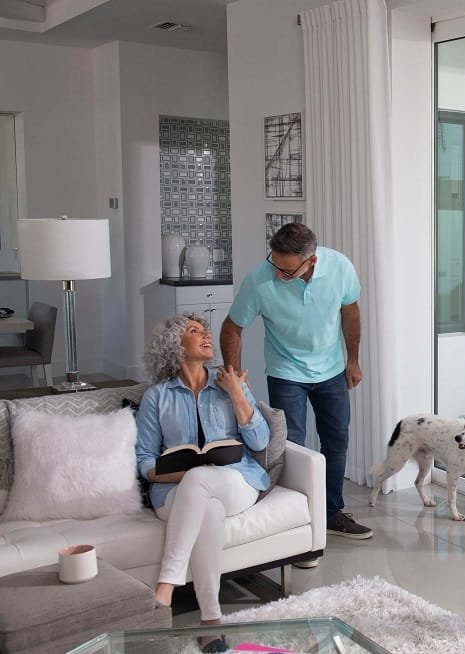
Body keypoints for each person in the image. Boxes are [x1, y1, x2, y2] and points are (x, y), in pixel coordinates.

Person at [221, 222, 371, 542]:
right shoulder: (259, 279)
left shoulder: (340, 267)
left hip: (331, 369)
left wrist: (353, 360)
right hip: (286, 371)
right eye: (275, 264)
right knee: (291, 445)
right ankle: (296, 517)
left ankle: (330, 512)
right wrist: (234, 378)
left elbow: (351, 313)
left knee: (336, 441)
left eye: (287, 271)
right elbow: (232, 327)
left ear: (311, 261)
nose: (278, 273)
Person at [135, 314, 271, 651]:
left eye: (205, 330)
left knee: (201, 480)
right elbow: (145, 459)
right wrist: (180, 474)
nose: (207, 335)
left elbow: (259, 442)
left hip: (236, 482)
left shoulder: (229, 383)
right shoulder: (157, 397)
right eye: (195, 331)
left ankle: (166, 585)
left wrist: (237, 394)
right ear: (174, 345)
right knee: (206, 505)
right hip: (174, 493)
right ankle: (211, 622)